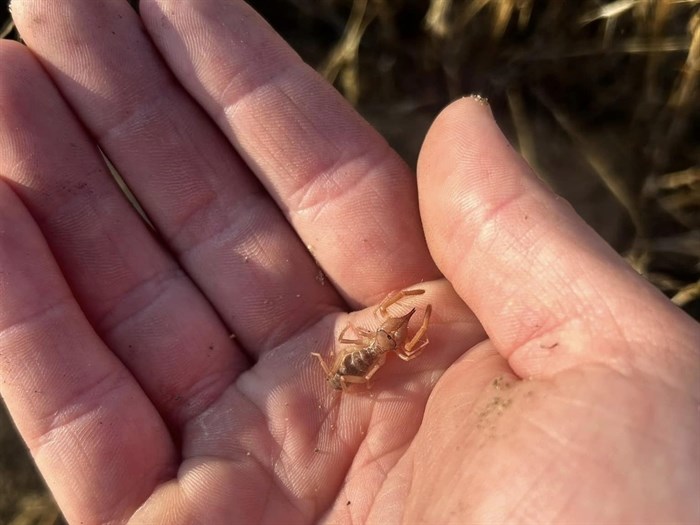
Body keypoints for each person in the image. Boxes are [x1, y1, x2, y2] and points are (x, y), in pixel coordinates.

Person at [0, 1, 697, 523]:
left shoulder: (382, 346)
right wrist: (364, 356)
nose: (346, 366)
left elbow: (382, 352)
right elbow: (368, 361)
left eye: (345, 366)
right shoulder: (362, 359)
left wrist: (381, 342)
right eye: (345, 367)